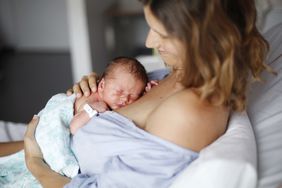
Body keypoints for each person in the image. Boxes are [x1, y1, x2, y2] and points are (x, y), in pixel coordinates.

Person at [22, 0, 273, 187]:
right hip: (57, 143)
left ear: (201, 39)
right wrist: (97, 90)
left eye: (161, 33)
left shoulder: (188, 113)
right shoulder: (178, 72)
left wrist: (34, 162)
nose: (149, 43)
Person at [0, 56, 149, 187]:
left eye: (133, 96)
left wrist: (144, 93)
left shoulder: (117, 93)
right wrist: (91, 110)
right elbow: (74, 126)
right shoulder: (93, 101)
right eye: (119, 92)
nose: (125, 99)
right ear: (102, 85)